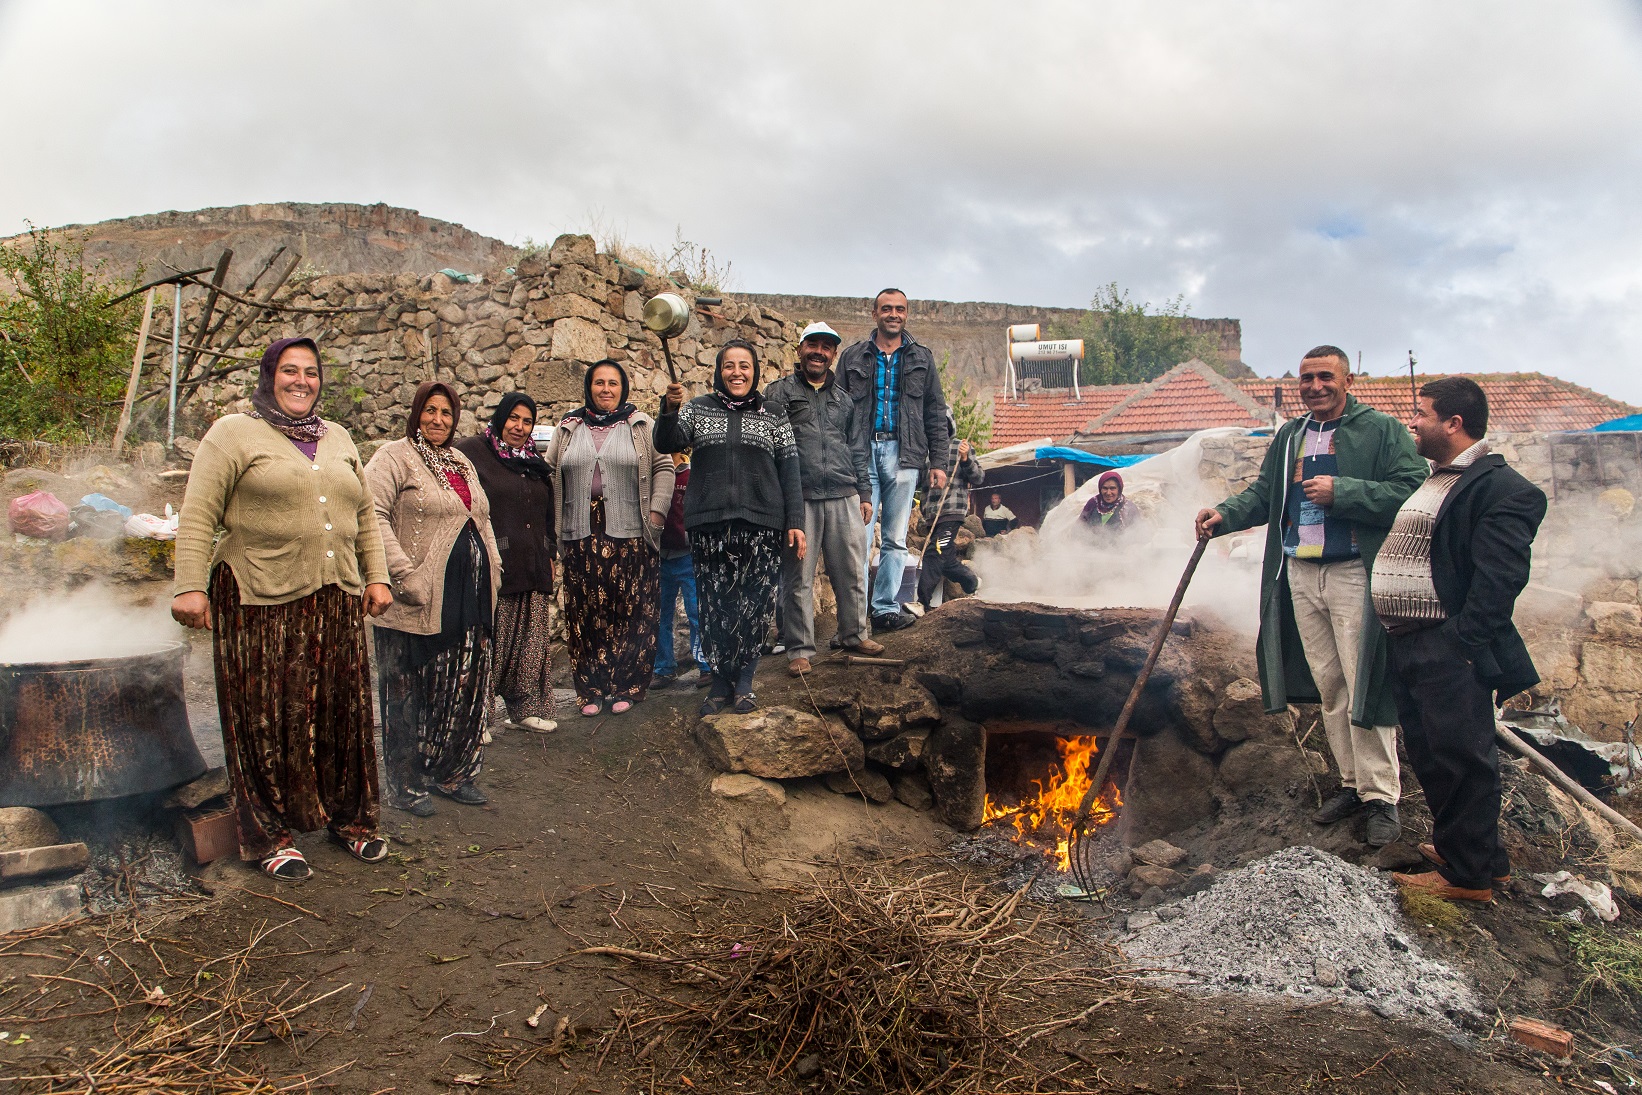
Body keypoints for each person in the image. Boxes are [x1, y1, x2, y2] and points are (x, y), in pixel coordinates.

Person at [172, 336, 393, 881]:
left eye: (311, 372)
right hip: (259, 598)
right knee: (268, 718)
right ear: (270, 375)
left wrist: (378, 575)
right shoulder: (232, 433)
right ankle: (273, 833)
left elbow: (364, 515)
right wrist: (188, 585)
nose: (302, 381)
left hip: (336, 598)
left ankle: (351, 819)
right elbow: (198, 513)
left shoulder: (338, 436)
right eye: (290, 371)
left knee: (341, 712)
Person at [1195, 345, 1426, 848]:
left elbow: (1413, 488)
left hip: (1352, 571)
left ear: (1347, 380)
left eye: (1325, 376)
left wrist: (1345, 492)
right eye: (1306, 378)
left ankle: (1382, 796)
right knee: (1330, 683)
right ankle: (1350, 783)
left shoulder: (1381, 431)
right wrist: (1225, 515)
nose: (1315, 386)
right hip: (1300, 570)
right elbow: (1263, 495)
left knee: (1361, 679)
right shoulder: (1291, 436)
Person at [1378, 379, 1546, 903]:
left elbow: (1499, 581)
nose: (1413, 423)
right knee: (1434, 753)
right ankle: (1479, 858)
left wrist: (1462, 643)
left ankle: (1467, 880)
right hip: (1411, 641)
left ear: (1454, 423)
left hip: (1445, 645)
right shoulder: (1440, 479)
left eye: (1420, 414)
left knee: (1461, 757)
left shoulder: (1501, 488)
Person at [367, 382, 502, 817]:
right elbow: (370, 513)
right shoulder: (394, 456)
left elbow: (480, 518)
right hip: (418, 599)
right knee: (406, 693)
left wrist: (494, 567)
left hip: (469, 598)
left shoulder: (460, 461)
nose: (438, 420)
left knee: (462, 686)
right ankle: (405, 785)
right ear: (416, 413)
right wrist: (402, 574)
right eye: (430, 411)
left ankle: (452, 772)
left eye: (446, 413)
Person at [657, 339, 805, 714]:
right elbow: (666, 441)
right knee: (714, 606)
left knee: (754, 605)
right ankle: (719, 683)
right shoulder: (697, 409)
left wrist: (796, 522)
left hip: (762, 524)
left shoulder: (774, 413)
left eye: (744, 365)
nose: (737, 372)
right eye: (729, 365)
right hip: (708, 524)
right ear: (718, 371)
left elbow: (789, 471)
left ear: (755, 372)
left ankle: (744, 683)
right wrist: (670, 409)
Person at [541, 360, 674, 716]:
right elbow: (550, 472)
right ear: (589, 387)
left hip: (631, 531)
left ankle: (626, 686)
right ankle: (591, 690)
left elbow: (663, 466)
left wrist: (657, 514)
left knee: (630, 611)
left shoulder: (641, 424)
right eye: (598, 383)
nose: (605, 389)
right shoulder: (568, 427)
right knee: (586, 612)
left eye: (613, 383)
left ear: (623, 388)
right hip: (580, 532)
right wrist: (552, 528)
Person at [762, 321, 885, 676]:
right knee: (797, 576)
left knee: (850, 571)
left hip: (844, 494)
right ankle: (799, 649)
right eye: (812, 344)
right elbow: (768, 450)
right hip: (799, 499)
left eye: (826, 347)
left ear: (833, 354)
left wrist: (864, 492)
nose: (819, 351)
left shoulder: (844, 400)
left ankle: (854, 634)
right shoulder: (778, 394)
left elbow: (858, 448)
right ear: (799, 349)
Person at [838, 288, 951, 633]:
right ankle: (855, 613)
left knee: (896, 538)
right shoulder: (852, 356)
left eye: (899, 309)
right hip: (862, 455)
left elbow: (934, 411)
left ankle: (885, 609)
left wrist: (939, 462)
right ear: (874, 314)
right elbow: (838, 408)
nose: (893, 314)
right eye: (886, 309)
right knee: (859, 537)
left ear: (906, 314)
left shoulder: (922, 358)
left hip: (906, 455)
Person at [454, 392, 558, 734]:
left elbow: (547, 511)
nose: (519, 426)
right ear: (500, 418)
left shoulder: (533, 460)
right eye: (513, 418)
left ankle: (525, 708)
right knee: (489, 642)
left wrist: (551, 551)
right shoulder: (472, 452)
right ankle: (476, 718)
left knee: (531, 641)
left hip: (533, 563)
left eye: (527, 421)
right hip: (494, 564)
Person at [652, 450, 707, 689]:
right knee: (659, 615)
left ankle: (705, 666)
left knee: (696, 613)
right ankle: (663, 668)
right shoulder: (652, 476)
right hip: (660, 555)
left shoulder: (691, 476)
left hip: (687, 556)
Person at [915, 429, 984, 610]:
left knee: (935, 551)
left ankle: (922, 602)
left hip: (952, 512)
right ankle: (972, 581)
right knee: (945, 559)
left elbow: (978, 477)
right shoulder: (925, 451)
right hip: (931, 515)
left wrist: (965, 459)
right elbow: (917, 481)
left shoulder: (960, 447)